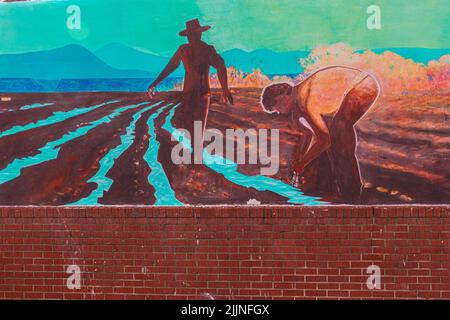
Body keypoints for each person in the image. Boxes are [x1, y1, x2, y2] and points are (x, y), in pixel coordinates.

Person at [260, 66, 381, 202]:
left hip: (363, 84)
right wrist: (300, 159)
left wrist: (302, 162)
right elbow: (308, 135)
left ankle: (352, 193)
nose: (279, 113)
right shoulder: (298, 109)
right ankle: (330, 187)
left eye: (276, 108)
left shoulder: (306, 100)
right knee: (329, 141)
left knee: (338, 132)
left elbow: (324, 140)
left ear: (283, 95)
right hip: (352, 87)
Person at [147, 19, 233, 140]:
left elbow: (171, 66)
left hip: (191, 95)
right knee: (195, 132)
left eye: (192, 34)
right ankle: (195, 155)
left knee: (193, 132)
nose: (191, 37)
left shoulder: (186, 49)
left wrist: (154, 84)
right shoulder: (205, 49)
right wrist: (225, 90)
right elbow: (220, 65)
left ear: (197, 34)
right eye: (191, 35)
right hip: (200, 95)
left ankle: (194, 155)